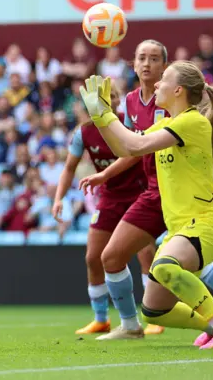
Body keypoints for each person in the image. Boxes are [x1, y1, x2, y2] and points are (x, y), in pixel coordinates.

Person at [80, 41, 213, 343]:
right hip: (181, 227)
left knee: (165, 265)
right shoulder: (167, 124)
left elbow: (135, 145)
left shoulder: (192, 122)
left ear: (178, 90)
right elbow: (126, 147)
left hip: (205, 225)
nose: (158, 83)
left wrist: (104, 115)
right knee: (154, 309)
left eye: (165, 79)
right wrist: (100, 117)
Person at [52, 86, 161, 336]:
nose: (107, 101)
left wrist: (103, 174)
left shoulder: (129, 124)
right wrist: (58, 198)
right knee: (93, 257)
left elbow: (136, 153)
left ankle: (153, 314)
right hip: (110, 197)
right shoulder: (84, 133)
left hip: (140, 193)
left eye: (111, 96)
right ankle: (101, 318)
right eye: (102, 97)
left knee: (145, 253)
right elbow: (69, 168)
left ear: (118, 100)